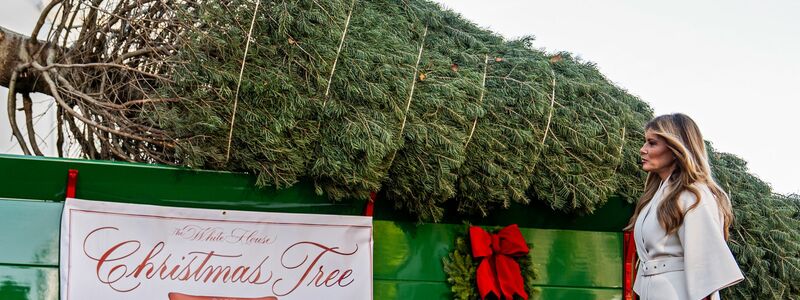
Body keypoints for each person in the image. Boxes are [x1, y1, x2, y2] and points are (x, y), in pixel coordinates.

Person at [625, 113, 743, 300]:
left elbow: (705, 270)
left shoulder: (694, 195)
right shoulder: (656, 197)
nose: (642, 149)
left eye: (652, 143)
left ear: (675, 149)